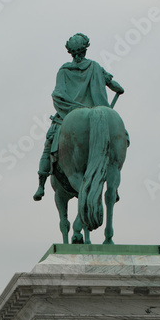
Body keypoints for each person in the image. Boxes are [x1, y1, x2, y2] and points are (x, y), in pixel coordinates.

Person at [34, 33, 125, 201]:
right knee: (122, 136)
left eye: (77, 53)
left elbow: (58, 95)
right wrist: (118, 89)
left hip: (68, 114)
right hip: (100, 109)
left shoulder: (64, 70)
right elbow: (115, 86)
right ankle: (114, 181)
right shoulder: (95, 66)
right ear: (85, 49)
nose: (77, 56)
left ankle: (41, 186)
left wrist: (74, 107)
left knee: (48, 146)